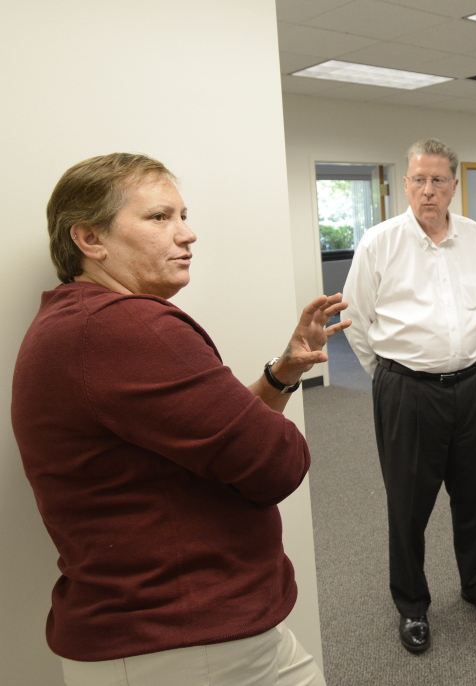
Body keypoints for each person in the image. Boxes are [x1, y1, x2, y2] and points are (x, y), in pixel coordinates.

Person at [11, 153, 350, 686]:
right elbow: (278, 463)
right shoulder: (130, 330)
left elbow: (203, 443)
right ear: (90, 240)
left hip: (176, 636)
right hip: (185, 647)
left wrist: (280, 375)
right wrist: (269, 435)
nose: (187, 234)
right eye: (159, 218)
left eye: (183, 215)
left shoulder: (76, 322)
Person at [342, 138, 476, 654]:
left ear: (454, 186)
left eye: (438, 180)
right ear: (406, 183)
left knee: (475, 496)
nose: (428, 190)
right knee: (409, 507)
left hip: (473, 385)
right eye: (418, 179)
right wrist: (389, 378)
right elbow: (355, 318)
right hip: (409, 392)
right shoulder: (380, 242)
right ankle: (413, 606)